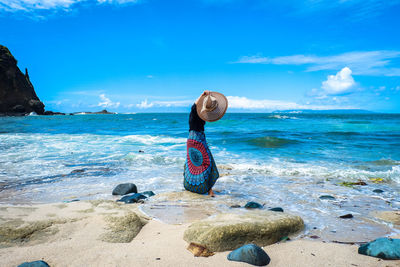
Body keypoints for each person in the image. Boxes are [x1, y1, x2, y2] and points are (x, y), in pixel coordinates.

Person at [183, 90, 228, 197]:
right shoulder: (197, 112)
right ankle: (209, 190)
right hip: (197, 139)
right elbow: (194, 105)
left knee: (193, 163)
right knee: (207, 163)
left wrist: (203, 96)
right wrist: (203, 94)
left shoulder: (196, 112)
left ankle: (192, 187)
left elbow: (194, 105)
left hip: (191, 139)